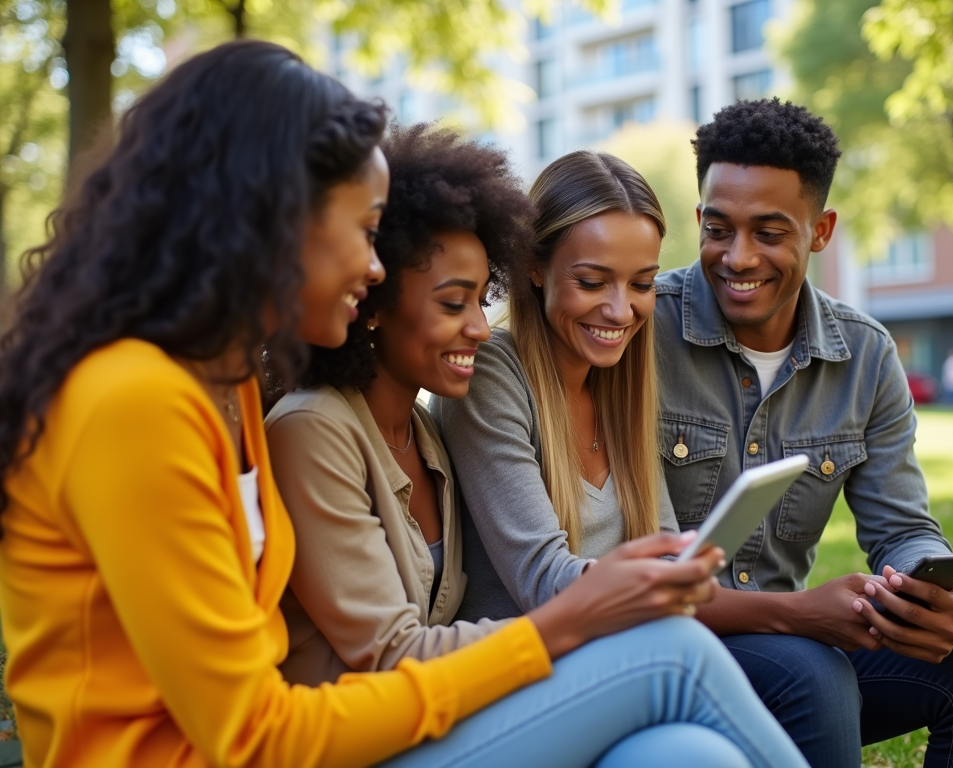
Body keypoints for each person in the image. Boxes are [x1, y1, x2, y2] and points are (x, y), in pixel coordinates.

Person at [0, 42, 808, 768]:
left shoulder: (231, 391)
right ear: (271, 220)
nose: (375, 265)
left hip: (340, 733)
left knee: (682, 754)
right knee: (671, 656)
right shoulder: (131, 402)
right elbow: (257, 735)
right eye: (364, 229)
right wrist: (561, 626)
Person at [264, 123, 810, 768]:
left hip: (443, 716)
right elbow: (391, 654)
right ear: (374, 300)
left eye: (479, 298)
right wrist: (588, 615)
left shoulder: (423, 435)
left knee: (686, 753)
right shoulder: (312, 429)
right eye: (452, 303)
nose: (477, 325)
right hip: (363, 742)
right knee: (676, 656)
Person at [653, 97, 953, 768]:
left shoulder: (866, 355)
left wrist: (927, 590)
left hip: (785, 639)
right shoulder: (640, 334)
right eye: (718, 227)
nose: (738, 257)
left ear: (820, 231)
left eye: (769, 232)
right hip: (672, 639)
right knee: (811, 673)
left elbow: (900, 526)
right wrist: (796, 617)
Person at [433, 150, 680, 622]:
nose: (621, 311)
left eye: (642, 284)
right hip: (531, 665)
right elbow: (546, 584)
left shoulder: (620, 385)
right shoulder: (491, 375)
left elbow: (665, 548)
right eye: (591, 282)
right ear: (533, 266)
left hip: (625, 643)